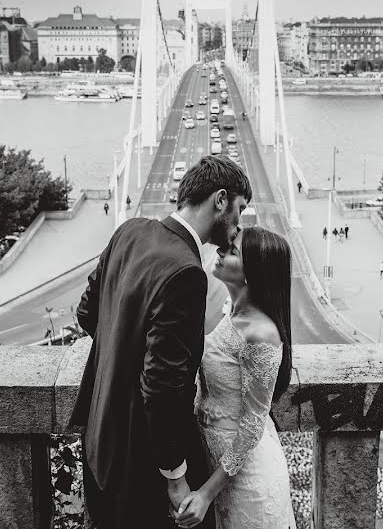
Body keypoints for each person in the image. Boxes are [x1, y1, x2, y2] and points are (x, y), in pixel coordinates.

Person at [70, 155, 252, 529]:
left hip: (98, 442)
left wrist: (123, 354)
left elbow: (87, 313)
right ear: (220, 200)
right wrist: (176, 479)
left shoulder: (129, 231)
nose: (238, 224)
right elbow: (163, 387)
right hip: (140, 465)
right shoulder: (186, 273)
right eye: (239, 209)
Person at [176, 226, 296, 529]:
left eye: (232, 251)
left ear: (253, 272)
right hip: (221, 468)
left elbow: (253, 424)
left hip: (249, 479)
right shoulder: (233, 314)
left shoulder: (261, 333)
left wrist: (205, 494)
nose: (220, 250)